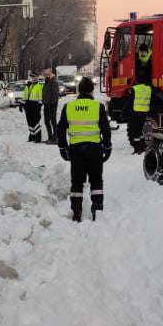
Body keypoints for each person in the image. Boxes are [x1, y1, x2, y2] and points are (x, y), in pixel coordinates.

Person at [57, 77, 112, 222]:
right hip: (95, 149)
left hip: (76, 150)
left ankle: (76, 211)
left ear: (78, 90)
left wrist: (62, 147)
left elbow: (61, 129)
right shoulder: (98, 106)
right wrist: (107, 146)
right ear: (91, 91)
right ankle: (97, 208)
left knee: (77, 181)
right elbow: (105, 129)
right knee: (96, 180)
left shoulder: (69, 107)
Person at [124, 75, 152, 154]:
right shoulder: (149, 89)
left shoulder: (135, 89)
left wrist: (124, 111)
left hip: (135, 113)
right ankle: (143, 146)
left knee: (135, 132)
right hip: (145, 113)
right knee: (141, 131)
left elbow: (130, 102)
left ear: (137, 81)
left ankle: (137, 148)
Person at [21, 72, 44, 142]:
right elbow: (25, 95)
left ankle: (38, 137)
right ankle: (32, 136)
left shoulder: (39, 86)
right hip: (28, 106)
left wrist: (39, 105)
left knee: (36, 122)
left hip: (35, 105)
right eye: (31, 77)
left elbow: (41, 97)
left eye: (34, 77)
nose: (33, 78)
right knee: (30, 122)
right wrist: (21, 104)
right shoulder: (29, 86)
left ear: (37, 77)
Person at [41, 68, 60, 144]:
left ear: (50, 74)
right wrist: (44, 102)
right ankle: (50, 138)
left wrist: (51, 103)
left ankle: (55, 139)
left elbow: (55, 95)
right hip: (46, 105)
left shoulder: (54, 82)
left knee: (53, 122)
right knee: (46, 122)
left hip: (52, 106)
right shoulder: (46, 82)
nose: (45, 76)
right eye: (44, 75)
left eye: (47, 74)